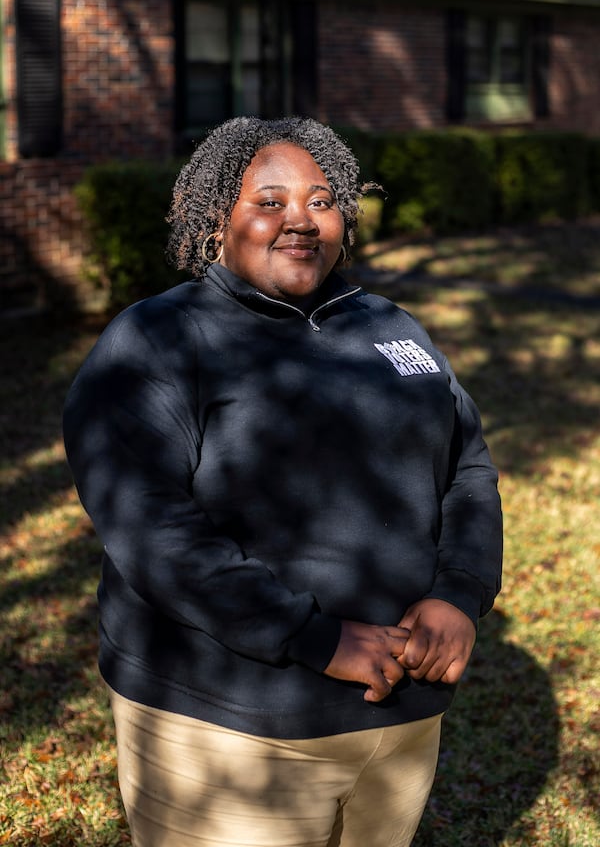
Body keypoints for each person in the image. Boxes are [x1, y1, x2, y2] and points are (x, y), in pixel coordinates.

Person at [63, 116, 502, 847]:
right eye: (269, 202)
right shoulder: (157, 341)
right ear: (216, 221)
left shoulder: (393, 328)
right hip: (229, 727)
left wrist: (459, 595)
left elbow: (469, 468)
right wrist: (313, 637)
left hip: (400, 717)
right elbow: (149, 525)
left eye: (321, 200)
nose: (299, 219)